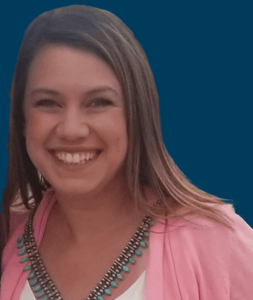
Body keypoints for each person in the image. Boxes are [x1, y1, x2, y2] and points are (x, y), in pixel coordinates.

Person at [1, 5, 253, 300]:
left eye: (98, 102)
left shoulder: (217, 241)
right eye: (47, 102)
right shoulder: (11, 235)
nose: (71, 129)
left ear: (138, 114)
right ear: (22, 120)